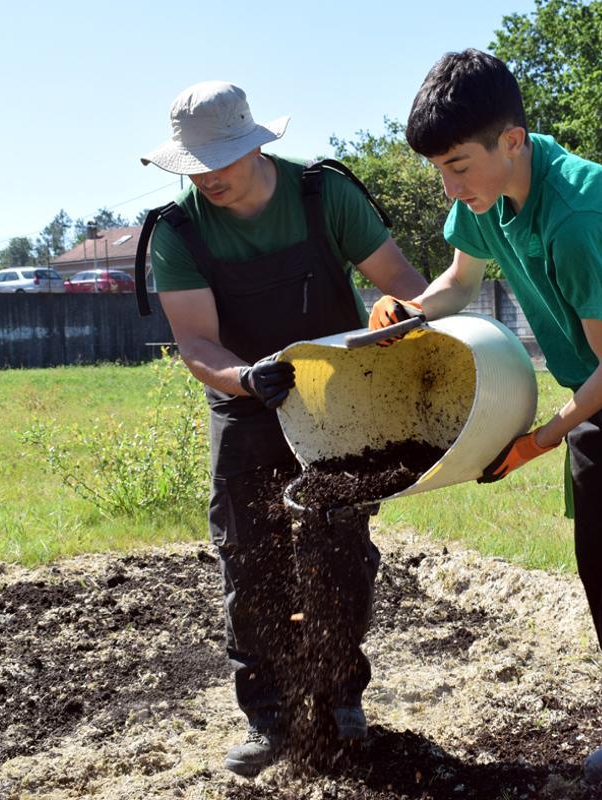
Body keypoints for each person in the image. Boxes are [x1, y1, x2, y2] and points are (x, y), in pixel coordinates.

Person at [370, 50, 602, 800]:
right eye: (440, 170)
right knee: (601, 566)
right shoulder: (481, 198)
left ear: (514, 142)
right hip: (599, 381)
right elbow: (460, 281)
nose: (449, 187)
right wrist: (411, 313)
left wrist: (540, 438)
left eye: (459, 166)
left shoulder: (577, 217)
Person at [135, 80, 428, 778]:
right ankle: (270, 719)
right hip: (245, 405)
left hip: (337, 402)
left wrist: (395, 313)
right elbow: (199, 346)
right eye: (193, 167)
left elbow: (402, 283)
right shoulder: (176, 232)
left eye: (220, 164)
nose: (206, 179)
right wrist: (247, 378)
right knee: (251, 561)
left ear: (257, 145)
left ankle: (339, 700)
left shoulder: (325, 196)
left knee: (338, 553)